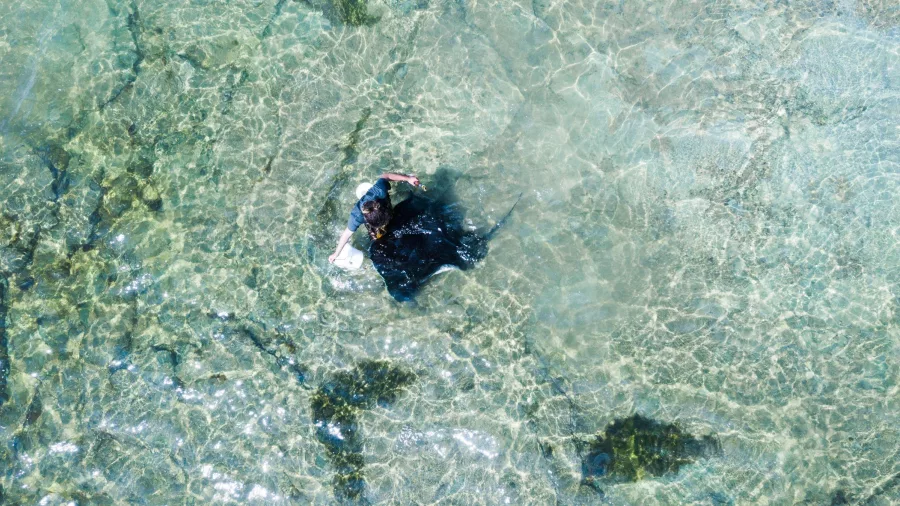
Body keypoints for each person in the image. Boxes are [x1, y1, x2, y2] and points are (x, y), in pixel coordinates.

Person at [328, 173, 420, 264]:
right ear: (367, 220)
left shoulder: (379, 191)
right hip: (375, 215)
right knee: (378, 239)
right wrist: (336, 254)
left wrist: (408, 178)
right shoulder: (356, 216)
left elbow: (386, 176)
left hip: (383, 204)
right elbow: (346, 234)